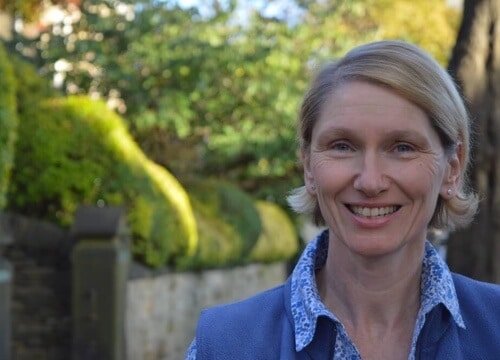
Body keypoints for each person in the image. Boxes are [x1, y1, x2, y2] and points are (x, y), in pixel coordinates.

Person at [185, 40, 500, 359]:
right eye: (342, 146)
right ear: (308, 166)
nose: (370, 181)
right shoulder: (224, 345)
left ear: (452, 168)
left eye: (402, 147)